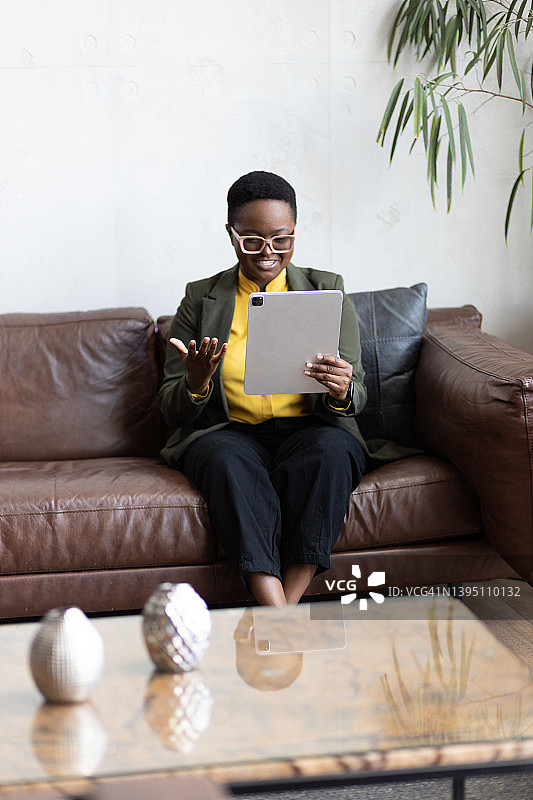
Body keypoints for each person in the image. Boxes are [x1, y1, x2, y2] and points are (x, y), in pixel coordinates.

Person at [158, 171, 367, 606]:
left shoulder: (327, 289)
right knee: (224, 461)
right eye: (251, 240)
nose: (267, 253)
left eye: (281, 239)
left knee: (333, 452)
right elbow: (169, 408)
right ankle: (279, 611)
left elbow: (357, 394)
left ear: (294, 233)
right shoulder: (200, 298)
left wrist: (341, 390)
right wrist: (196, 384)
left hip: (310, 428)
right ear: (231, 235)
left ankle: (280, 611)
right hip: (229, 432)